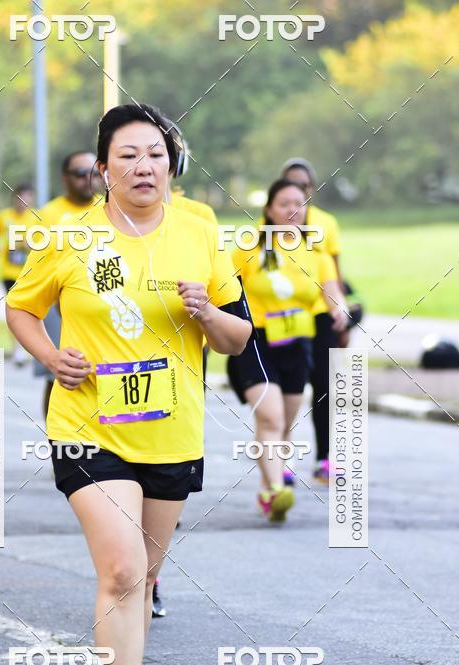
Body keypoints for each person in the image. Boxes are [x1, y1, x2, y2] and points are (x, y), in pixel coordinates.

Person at [6, 102, 251, 665]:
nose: (144, 166)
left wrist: (207, 311)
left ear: (171, 161)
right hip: (87, 425)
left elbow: (237, 336)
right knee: (120, 569)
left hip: (172, 429)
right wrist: (52, 356)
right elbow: (22, 307)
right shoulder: (69, 235)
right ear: (104, 170)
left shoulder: (199, 227)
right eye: (127, 156)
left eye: (154, 153)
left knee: (145, 576)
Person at [229, 178, 348, 522]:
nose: (293, 210)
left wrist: (339, 307)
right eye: (284, 203)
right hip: (256, 340)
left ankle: (273, 476)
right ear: (268, 209)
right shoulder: (249, 245)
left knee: (286, 420)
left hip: (298, 342)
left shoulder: (315, 249)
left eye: (300, 203)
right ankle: (273, 489)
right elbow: (225, 287)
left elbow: (331, 290)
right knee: (270, 416)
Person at [152, 119, 218, 619]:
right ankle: (132, 573)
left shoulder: (200, 218)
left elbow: (221, 297)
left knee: (162, 497)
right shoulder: (95, 224)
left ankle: (148, 574)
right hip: (108, 374)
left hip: (181, 372)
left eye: (161, 154)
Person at [280, 158, 349, 484]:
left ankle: (324, 457)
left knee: (323, 385)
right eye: (292, 185)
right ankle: (283, 457)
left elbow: (334, 270)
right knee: (288, 391)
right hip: (284, 319)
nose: (299, 193)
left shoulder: (325, 223)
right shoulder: (272, 223)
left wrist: (341, 312)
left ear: (312, 189)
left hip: (319, 316)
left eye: (304, 187)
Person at [35, 152, 103, 419]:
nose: (88, 179)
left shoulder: (108, 209)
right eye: (80, 173)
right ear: (65, 178)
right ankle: (57, 443)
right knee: (57, 377)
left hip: (100, 303)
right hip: (56, 305)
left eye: (94, 173)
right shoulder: (49, 215)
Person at [0, 183, 37, 365]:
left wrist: (27, 246)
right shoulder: (4, 216)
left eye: (27, 197)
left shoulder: (36, 217)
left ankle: (31, 347)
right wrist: (1, 249)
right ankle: (17, 349)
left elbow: (43, 241)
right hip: (9, 272)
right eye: (20, 197)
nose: (23, 201)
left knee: (31, 310)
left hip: (29, 272)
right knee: (15, 309)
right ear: (14, 198)